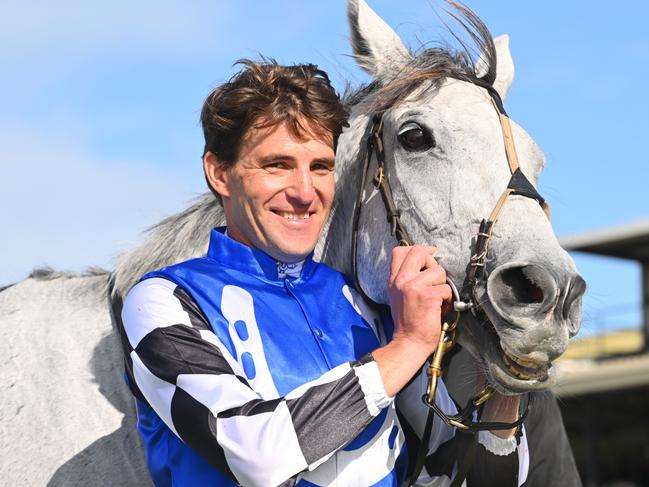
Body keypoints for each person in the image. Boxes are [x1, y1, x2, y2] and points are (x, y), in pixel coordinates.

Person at [118, 59, 527, 486]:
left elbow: (462, 479)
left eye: (320, 167)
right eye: (277, 165)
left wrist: (506, 382)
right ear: (220, 173)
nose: (304, 192)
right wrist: (408, 345)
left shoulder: (367, 307)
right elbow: (256, 456)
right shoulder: (163, 301)